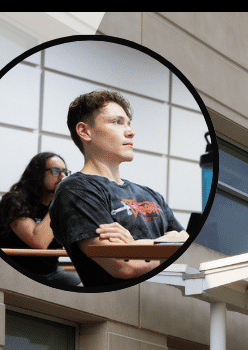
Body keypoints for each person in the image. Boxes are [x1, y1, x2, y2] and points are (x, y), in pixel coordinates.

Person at [49, 89, 187, 288]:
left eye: (128, 123)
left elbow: (188, 246)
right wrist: (172, 243)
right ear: (85, 131)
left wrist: (138, 246)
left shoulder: (151, 194)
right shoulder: (75, 191)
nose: (130, 131)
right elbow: (125, 266)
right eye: (117, 122)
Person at [0, 152, 81, 288]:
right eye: (55, 171)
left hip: (50, 272)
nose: (63, 177)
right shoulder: (15, 201)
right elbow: (39, 242)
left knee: (86, 288)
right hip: (16, 272)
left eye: (65, 172)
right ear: (38, 174)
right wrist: (60, 199)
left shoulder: (58, 205)